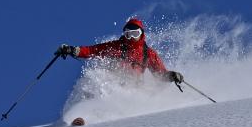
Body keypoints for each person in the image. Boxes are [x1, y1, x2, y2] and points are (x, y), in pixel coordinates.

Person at [55, 18, 184, 84]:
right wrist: (72, 50)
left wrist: (172, 76)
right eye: (128, 34)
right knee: (94, 78)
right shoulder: (116, 46)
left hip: (134, 88)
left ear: (142, 34)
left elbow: (159, 74)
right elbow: (91, 50)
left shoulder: (148, 53)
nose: (131, 37)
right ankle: (84, 115)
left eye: (134, 34)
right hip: (112, 81)